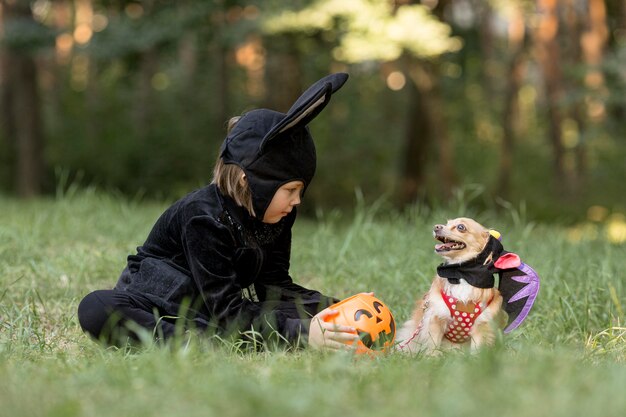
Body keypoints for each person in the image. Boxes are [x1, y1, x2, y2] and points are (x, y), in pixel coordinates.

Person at [77, 73, 359, 350]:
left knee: (276, 313)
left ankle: (218, 337)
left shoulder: (277, 215)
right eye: (290, 190)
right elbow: (227, 310)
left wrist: (340, 310)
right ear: (249, 181)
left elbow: (273, 288)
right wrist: (302, 332)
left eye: (300, 191)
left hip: (212, 311)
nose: (297, 201)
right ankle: (188, 344)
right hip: (157, 306)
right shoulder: (203, 217)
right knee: (97, 306)